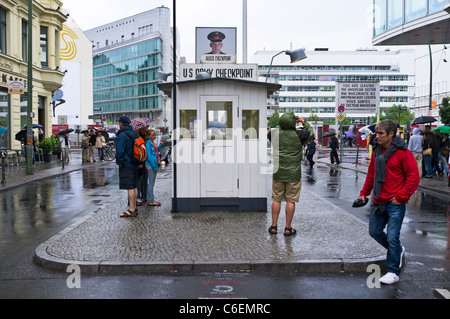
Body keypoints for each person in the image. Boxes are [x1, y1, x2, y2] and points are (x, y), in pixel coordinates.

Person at [357, 119, 420, 285]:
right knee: (374, 232)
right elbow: (372, 175)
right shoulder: (377, 150)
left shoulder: (402, 153)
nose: (377, 136)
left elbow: (413, 177)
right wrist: (364, 193)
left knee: (392, 237)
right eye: (376, 133)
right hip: (379, 201)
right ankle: (397, 251)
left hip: (395, 204)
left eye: (381, 133)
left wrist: (401, 196)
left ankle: (393, 271)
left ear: (391, 134)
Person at [267, 112, 313, 236]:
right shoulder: (300, 135)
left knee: (276, 199)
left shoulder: (273, 134)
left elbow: (271, 132)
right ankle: (288, 228)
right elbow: (311, 133)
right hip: (293, 174)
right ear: (293, 122)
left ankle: (274, 226)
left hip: (278, 173)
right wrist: (303, 121)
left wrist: (282, 124)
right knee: (291, 200)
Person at [116, 116, 139, 217]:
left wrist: (119, 162)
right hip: (135, 163)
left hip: (126, 164)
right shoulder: (134, 133)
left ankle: (131, 209)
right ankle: (134, 208)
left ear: (121, 123)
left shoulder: (122, 135)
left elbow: (119, 151)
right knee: (134, 186)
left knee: (129, 187)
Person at [146, 129, 162, 207]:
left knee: (151, 182)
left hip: (153, 164)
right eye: (152, 135)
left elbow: (156, 151)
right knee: (151, 183)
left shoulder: (152, 143)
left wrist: (160, 146)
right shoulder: (148, 143)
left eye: (155, 135)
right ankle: (151, 200)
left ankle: (149, 198)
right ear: (148, 136)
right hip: (150, 165)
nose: (154, 136)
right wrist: (154, 166)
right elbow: (149, 156)